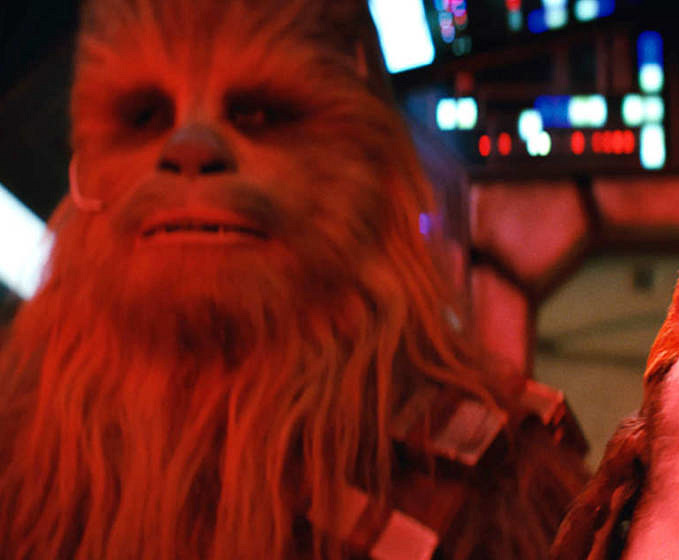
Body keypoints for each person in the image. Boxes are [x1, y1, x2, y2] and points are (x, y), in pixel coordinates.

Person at [0, 1, 587, 558]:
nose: (189, 148)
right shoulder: (20, 457)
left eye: (257, 114)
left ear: (372, 174)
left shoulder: (496, 474)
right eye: (146, 116)